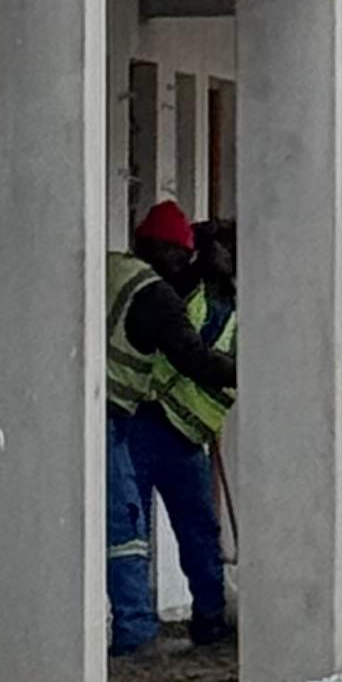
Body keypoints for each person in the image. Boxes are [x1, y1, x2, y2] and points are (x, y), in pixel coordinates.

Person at [107, 199, 237, 656]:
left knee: (196, 530)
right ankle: (137, 627)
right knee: (130, 527)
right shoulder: (174, 289)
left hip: (183, 434)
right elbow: (191, 355)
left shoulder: (240, 306)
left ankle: (208, 620)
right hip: (145, 419)